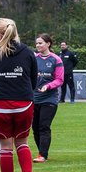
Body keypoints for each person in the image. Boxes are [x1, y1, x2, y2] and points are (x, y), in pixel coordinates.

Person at [0, 17, 39, 172]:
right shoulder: (28, 52)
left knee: (6, 149)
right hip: (23, 103)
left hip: (1, 105)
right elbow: (34, 79)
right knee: (22, 143)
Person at [32, 34, 64, 162]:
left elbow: (60, 79)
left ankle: (43, 155)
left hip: (49, 99)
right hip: (34, 99)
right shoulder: (33, 58)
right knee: (35, 128)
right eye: (37, 43)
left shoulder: (56, 60)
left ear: (48, 44)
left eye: (40, 43)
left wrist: (48, 86)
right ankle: (41, 151)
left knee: (44, 126)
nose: (38, 46)